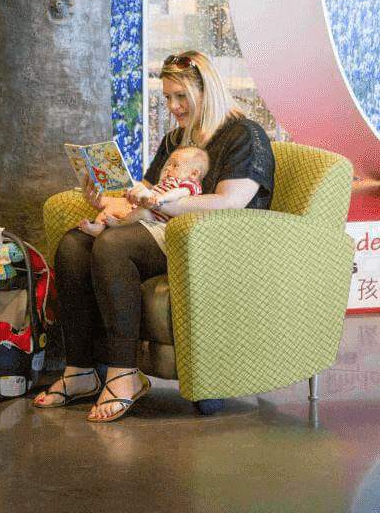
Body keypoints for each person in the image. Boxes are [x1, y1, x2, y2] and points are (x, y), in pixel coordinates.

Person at [33, 49, 275, 422]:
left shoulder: (244, 135)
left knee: (113, 245)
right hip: (164, 231)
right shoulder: (176, 140)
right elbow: (143, 194)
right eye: (167, 97)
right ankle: (81, 369)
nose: (173, 106)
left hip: (213, 246)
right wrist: (103, 201)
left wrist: (160, 203)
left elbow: (230, 202)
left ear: (207, 90)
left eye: (181, 96)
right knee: (74, 245)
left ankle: (123, 374)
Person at [77, 145, 209, 251]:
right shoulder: (167, 182)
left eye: (175, 165)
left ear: (194, 173)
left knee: (142, 212)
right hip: (144, 209)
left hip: (156, 220)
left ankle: (118, 224)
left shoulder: (191, 184)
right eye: (168, 164)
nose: (168, 168)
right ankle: (98, 226)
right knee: (113, 206)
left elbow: (179, 193)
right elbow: (149, 192)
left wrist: (161, 198)